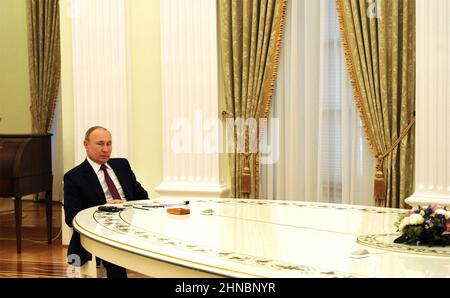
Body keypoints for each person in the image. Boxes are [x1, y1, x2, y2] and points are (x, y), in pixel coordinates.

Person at [63, 126, 149, 278]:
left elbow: (142, 196)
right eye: (100, 144)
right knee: (113, 246)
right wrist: (103, 208)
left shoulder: (122, 165)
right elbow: (71, 217)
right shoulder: (74, 177)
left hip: (131, 225)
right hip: (101, 231)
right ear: (86, 144)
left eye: (109, 144)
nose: (105, 149)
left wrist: (126, 206)